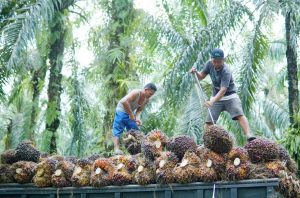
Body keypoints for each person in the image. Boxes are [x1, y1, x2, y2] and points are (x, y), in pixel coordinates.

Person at [190, 48, 255, 142]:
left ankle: (249, 135)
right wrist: (195, 73)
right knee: (209, 122)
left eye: (219, 61)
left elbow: (223, 90)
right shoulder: (209, 64)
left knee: (239, 113)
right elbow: (200, 77)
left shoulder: (226, 71)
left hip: (230, 96)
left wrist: (212, 101)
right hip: (216, 96)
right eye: (214, 61)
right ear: (211, 59)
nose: (216, 63)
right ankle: (206, 142)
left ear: (223, 60)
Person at [112, 83, 157, 155]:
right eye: (150, 93)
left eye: (152, 95)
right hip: (121, 110)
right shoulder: (136, 93)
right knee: (118, 129)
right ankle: (116, 149)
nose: (150, 96)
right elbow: (124, 102)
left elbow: (139, 110)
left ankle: (135, 153)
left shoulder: (146, 99)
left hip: (131, 113)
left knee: (135, 131)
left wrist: (138, 118)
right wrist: (130, 114)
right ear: (146, 90)